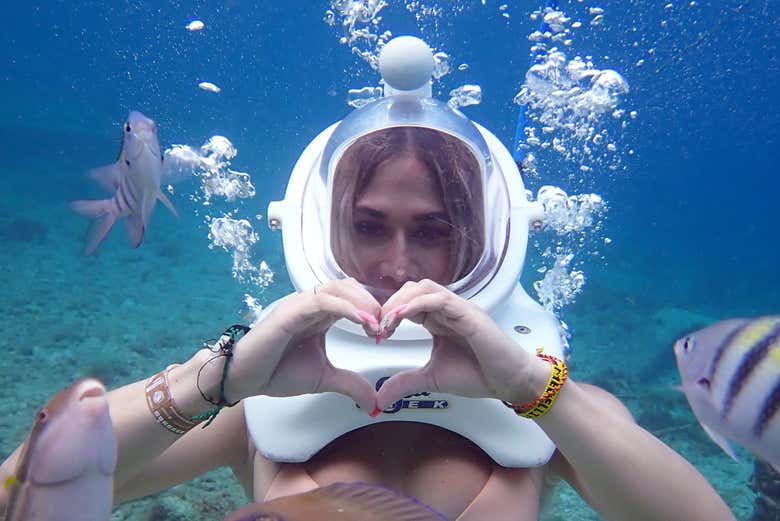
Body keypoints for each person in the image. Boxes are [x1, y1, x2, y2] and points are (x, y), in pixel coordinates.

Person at [0, 37, 736, 521]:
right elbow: (17, 497)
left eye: (437, 230)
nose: (397, 264)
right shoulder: (260, 400)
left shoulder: (541, 395)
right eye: (370, 224)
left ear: (489, 236)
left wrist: (531, 387)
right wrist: (213, 380)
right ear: (323, 228)